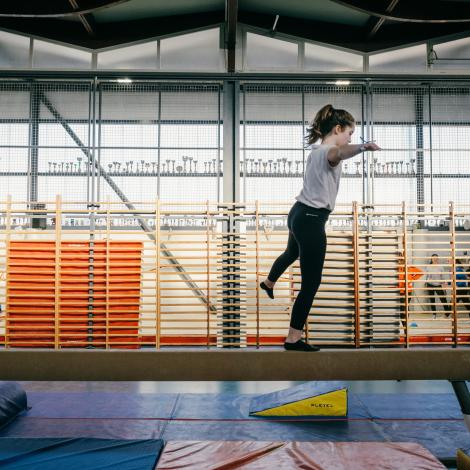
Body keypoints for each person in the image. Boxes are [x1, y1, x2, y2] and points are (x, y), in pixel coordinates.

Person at [259, 104, 381, 351]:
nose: (350, 138)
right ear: (338, 129)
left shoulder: (315, 150)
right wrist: (363, 147)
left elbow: (338, 152)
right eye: (349, 133)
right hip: (312, 218)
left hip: (298, 213)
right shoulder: (329, 151)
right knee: (311, 284)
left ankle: (269, 283)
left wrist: (355, 146)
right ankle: (293, 338)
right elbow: (340, 153)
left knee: (291, 253)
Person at [397, 257, 423, 328]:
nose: (400, 262)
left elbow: (420, 273)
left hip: (408, 291)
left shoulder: (409, 268)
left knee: (404, 307)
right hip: (399, 291)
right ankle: (403, 324)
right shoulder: (396, 268)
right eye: (399, 260)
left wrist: (412, 278)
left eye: (401, 260)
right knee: (401, 307)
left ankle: (405, 324)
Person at [425, 253, 451, 319]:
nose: (435, 259)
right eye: (434, 258)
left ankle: (447, 314)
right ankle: (434, 314)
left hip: (438, 284)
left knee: (443, 299)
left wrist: (444, 284)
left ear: (438, 259)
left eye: (436, 258)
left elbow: (443, 276)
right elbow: (427, 276)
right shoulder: (428, 266)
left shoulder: (440, 266)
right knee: (432, 300)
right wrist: (426, 283)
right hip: (430, 284)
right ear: (431, 259)